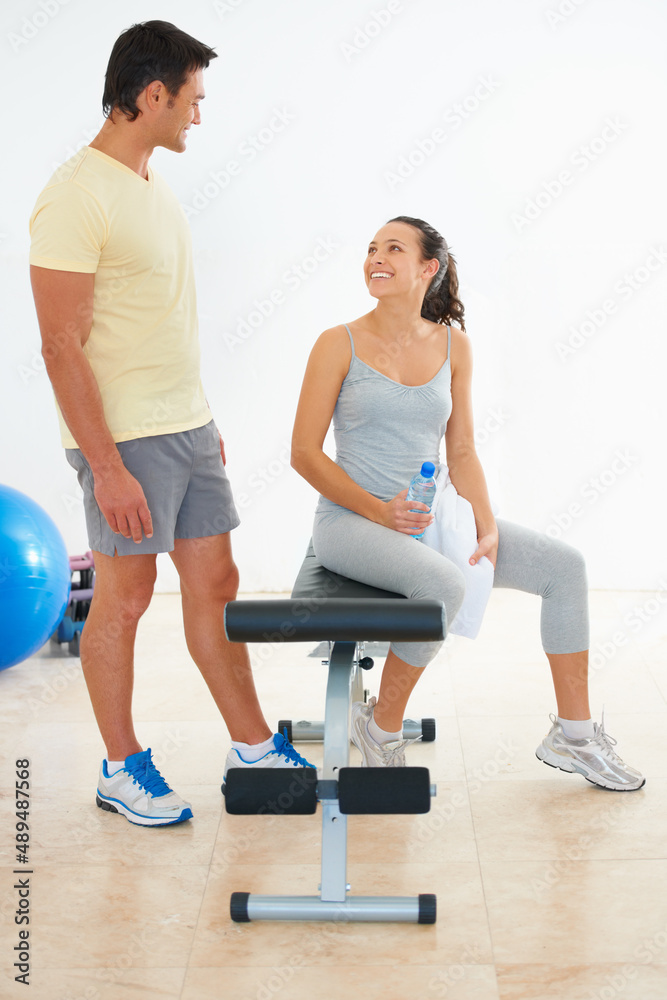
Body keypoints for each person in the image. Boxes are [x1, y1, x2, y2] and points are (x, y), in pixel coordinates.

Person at [29, 20, 313, 829]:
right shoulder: (75, 195)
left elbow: (156, 320)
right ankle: (121, 768)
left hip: (183, 425)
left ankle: (252, 745)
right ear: (152, 96)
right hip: (124, 440)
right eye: (192, 99)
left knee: (215, 583)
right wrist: (107, 465)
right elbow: (59, 345)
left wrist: (199, 418)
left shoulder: (148, 184)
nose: (197, 115)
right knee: (124, 597)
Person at [291, 215, 644, 791]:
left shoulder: (455, 346)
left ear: (428, 268)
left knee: (564, 568)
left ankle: (574, 736)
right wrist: (380, 511)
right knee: (444, 587)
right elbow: (304, 454)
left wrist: (484, 524)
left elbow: (461, 450)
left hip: (429, 517)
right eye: (372, 248)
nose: (376, 258)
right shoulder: (339, 343)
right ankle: (380, 730)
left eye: (394, 249)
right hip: (351, 522)